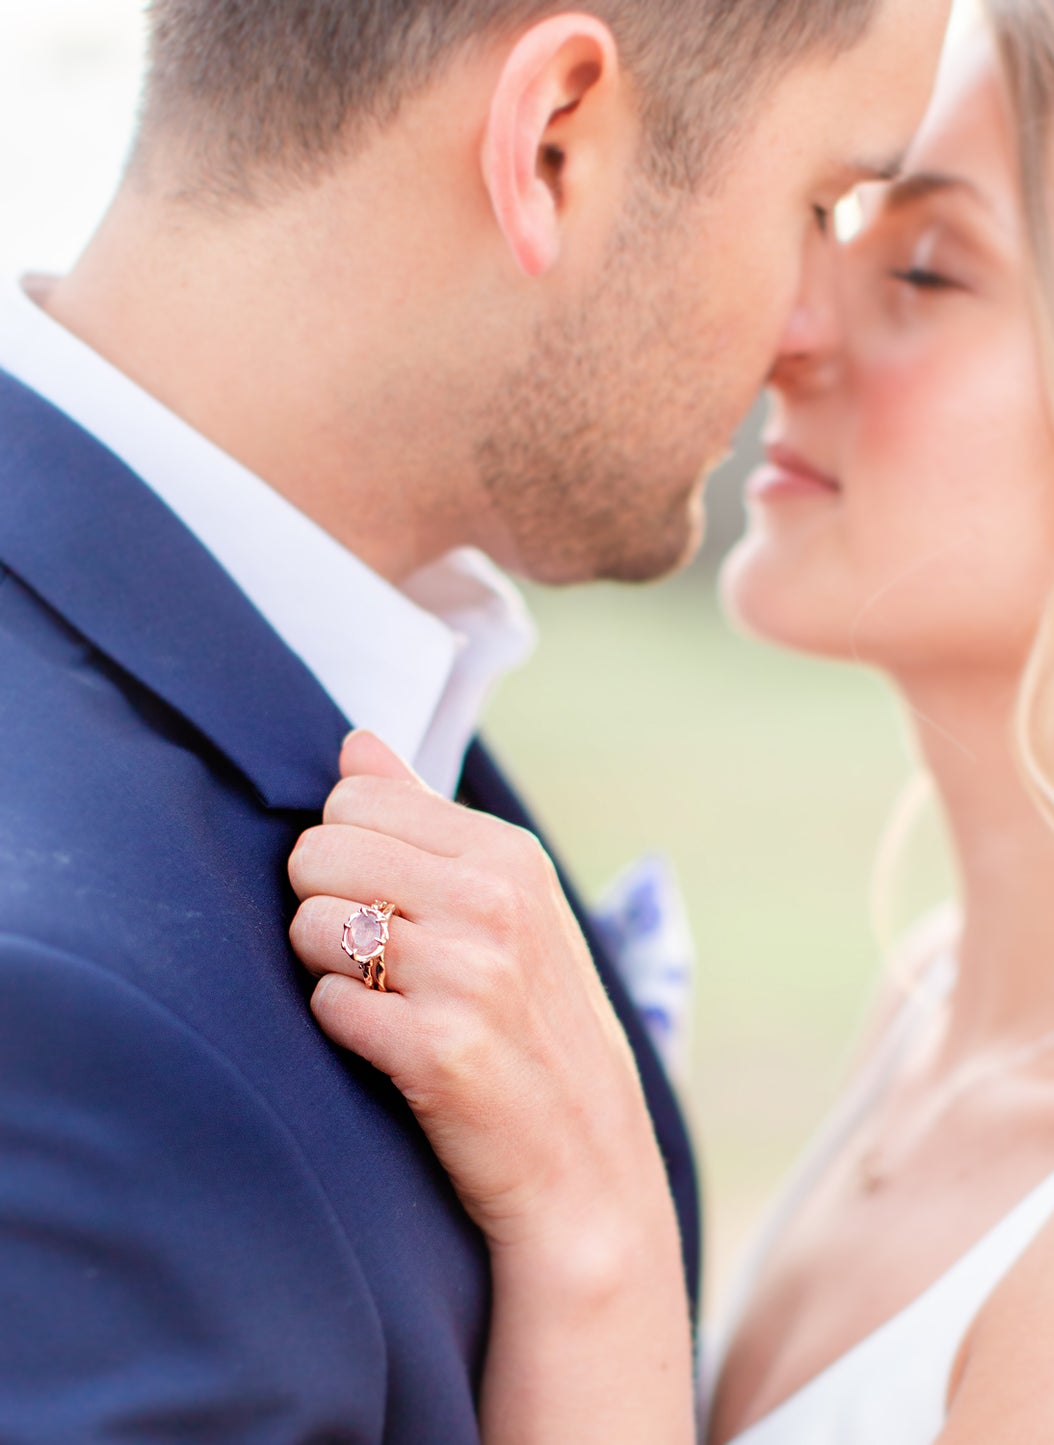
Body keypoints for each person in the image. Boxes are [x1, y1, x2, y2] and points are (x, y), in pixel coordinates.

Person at [290, 0, 1054, 1439]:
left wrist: (600, 1251)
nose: (788, 325)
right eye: (830, 218)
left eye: (923, 267)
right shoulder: (931, 1009)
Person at [0, 0, 951, 1437]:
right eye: (819, 203)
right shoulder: (61, 1017)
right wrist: (601, 1256)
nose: (816, 333)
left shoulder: (340, 695)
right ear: (550, 142)